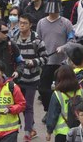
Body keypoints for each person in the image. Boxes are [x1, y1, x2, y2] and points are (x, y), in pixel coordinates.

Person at [14, 13, 48, 141]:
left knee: (28, 105)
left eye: (25, 23)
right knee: (20, 104)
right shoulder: (14, 38)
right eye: (20, 22)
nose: (22, 25)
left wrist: (33, 62)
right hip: (18, 78)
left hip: (32, 79)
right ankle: (31, 127)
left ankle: (27, 132)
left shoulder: (37, 40)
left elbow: (45, 58)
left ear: (30, 25)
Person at [45, 65, 83, 142]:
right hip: (79, 130)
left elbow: (52, 114)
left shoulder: (57, 94)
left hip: (62, 133)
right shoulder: (80, 91)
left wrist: (49, 131)